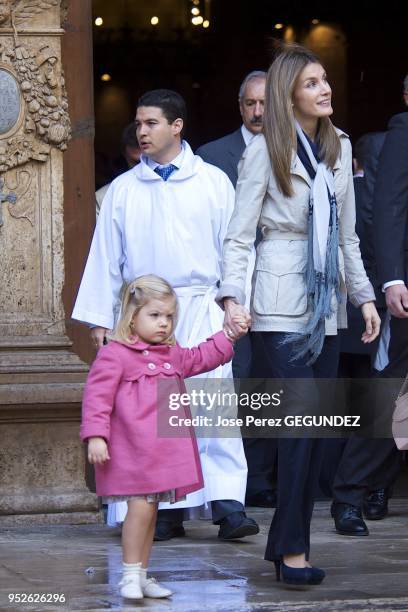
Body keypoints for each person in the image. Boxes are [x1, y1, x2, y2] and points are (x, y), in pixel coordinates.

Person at [217, 42, 380, 585]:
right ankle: (291, 555)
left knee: (315, 430)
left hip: (327, 306)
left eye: (325, 79)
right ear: (291, 94)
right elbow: (239, 236)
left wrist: (364, 298)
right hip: (279, 303)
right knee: (300, 428)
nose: (325, 88)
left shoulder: (340, 147)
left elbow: (348, 238)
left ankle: (290, 550)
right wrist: (232, 299)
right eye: (312, 83)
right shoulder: (265, 150)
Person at [72, 89, 259, 542]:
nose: (141, 131)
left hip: (201, 304)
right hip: (144, 312)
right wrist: (101, 322)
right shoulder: (122, 190)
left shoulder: (213, 181)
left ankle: (228, 503)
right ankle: (168, 506)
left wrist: (234, 300)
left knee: (212, 404)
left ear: (177, 126)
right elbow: (105, 257)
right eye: (138, 123)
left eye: (151, 122)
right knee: (157, 410)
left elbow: (236, 247)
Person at [81, 274, 247, 601]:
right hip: (132, 452)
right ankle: (130, 572)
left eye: (169, 316)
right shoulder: (115, 354)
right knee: (140, 510)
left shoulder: (171, 354)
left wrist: (229, 335)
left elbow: (201, 356)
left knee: (151, 513)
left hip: (162, 454)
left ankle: (141, 574)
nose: (164, 324)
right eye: (154, 315)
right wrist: (96, 436)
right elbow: (97, 397)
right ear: (132, 316)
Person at [197, 70, 276, 509]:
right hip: (228, 288)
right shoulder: (212, 156)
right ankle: (227, 487)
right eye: (250, 103)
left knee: (269, 379)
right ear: (240, 106)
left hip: (281, 286)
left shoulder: (292, 148)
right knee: (236, 380)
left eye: (265, 102)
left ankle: (261, 478)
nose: (258, 111)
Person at [95, 123, 141, 216]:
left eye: (148, 161)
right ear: (125, 155)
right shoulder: (104, 198)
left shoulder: (175, 190)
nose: (142, 168)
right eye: (136, 163)